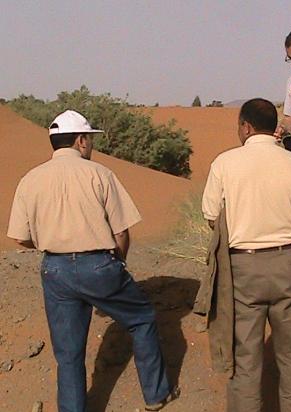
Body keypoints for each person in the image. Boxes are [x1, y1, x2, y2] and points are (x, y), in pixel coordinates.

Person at [7, 110, 178, 412]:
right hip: (98, 265)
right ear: (82, 141)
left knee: (68, 353)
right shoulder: (100, 174)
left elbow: (20, 237)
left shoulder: (30, 179)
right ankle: (156, 394)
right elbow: (122, 231)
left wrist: (50, 242)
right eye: (90, 139)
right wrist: (118, 263)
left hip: (55, 270)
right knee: (141, 320)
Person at [202, 98, 291, 412]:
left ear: (245, 126)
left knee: (245, 361)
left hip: (242, 267)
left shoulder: (224, 163)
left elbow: (210, 216)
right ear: (273, 127)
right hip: (289, 264)